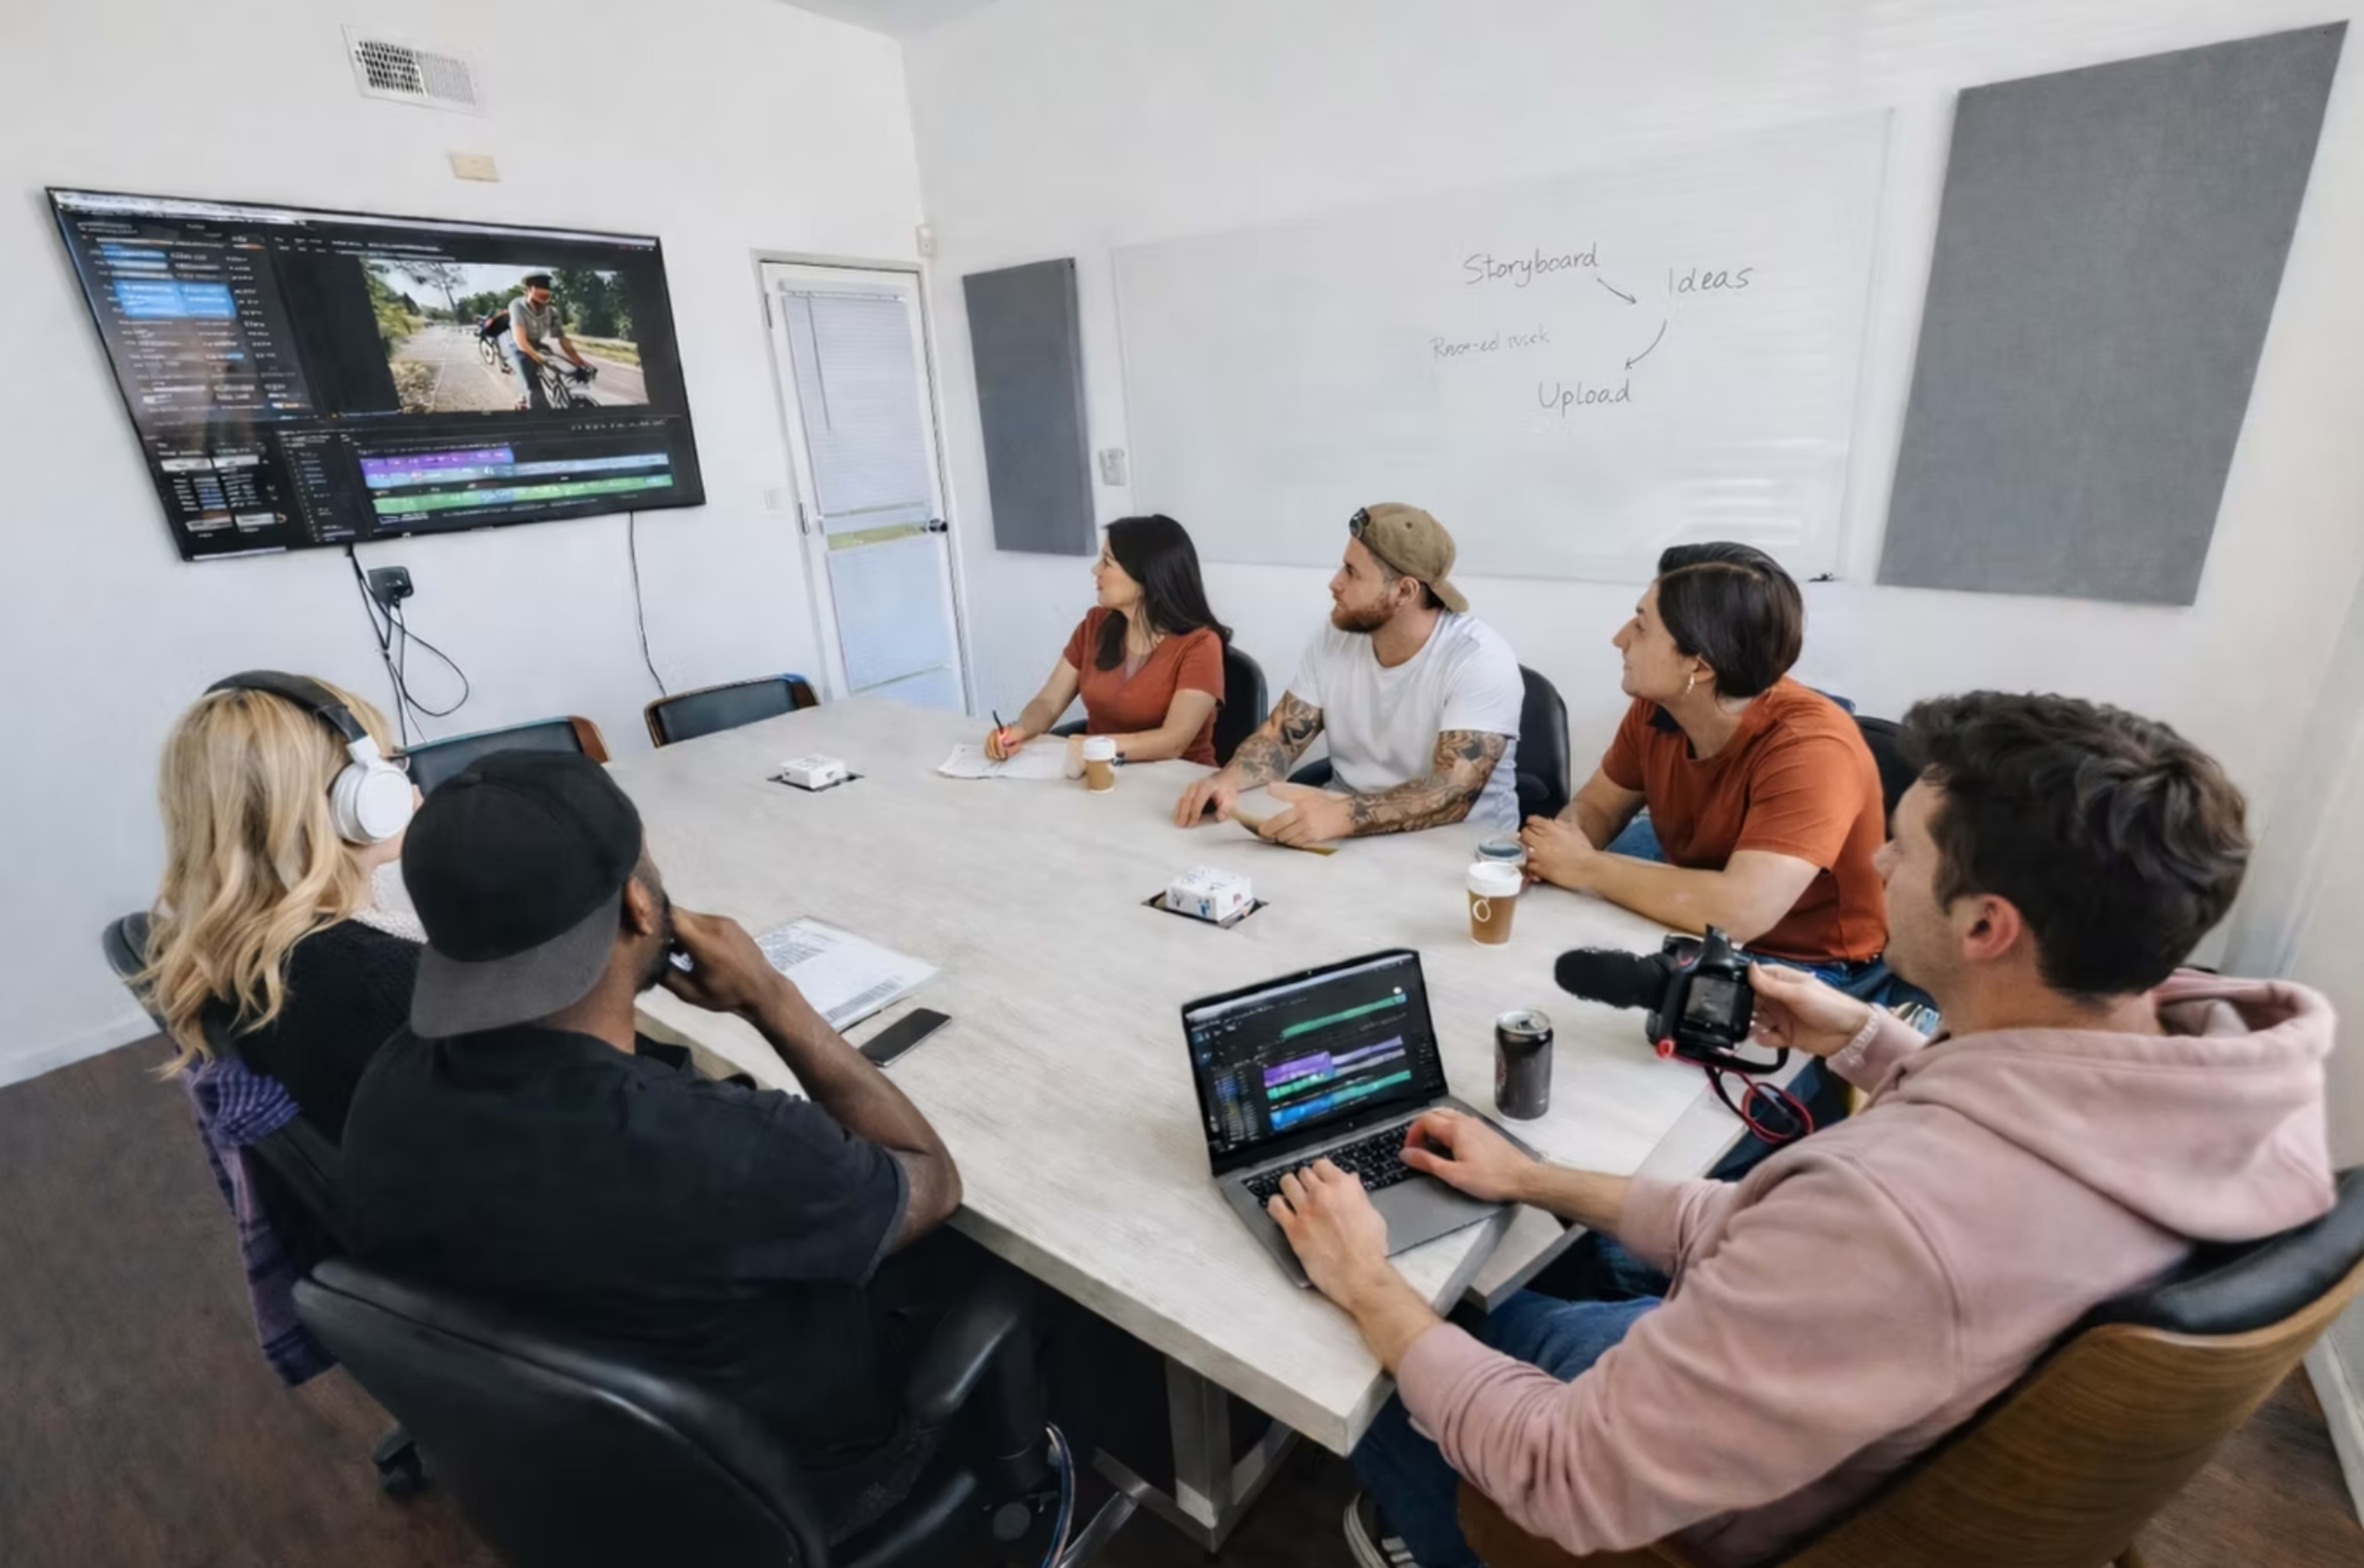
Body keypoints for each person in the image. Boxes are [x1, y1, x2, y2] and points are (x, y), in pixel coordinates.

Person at [1265, 691, 2333, 1568]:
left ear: (1986, 926)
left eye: (1903, 852)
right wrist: (1546, 1177)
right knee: (1564, 1242)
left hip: (1678, 1514)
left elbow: (1563, 1473)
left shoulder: (1885, 1215)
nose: (1874, 870)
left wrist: (1371, 1285)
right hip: (1884, 1399)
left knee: (1394, 1340)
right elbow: (1843, 1222)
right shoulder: (2235, 1073)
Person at [339, 750, 964, 1540]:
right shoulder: (722, 1146)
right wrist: (772, 998)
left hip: (572, 1494)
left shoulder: (389, 1087)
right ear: (640, 907)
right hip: (799, 1484)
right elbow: (931, 1181)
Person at [1521, 543, 1888, 978]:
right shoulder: (1660, 704)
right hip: (1696, 916)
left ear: (1699, 665)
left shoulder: (1812, 746)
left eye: (1641, 626)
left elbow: (1742, 910)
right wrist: (1552, 850)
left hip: (1803, 959)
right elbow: (1599, 806)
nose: (1619, 638)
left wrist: (1584, 866)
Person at [140, 672, 422, 1139]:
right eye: (392, 764)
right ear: (359, 800)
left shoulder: (229, 944)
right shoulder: (384, 979)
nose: (403, 781)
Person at [1172, 504, 1524, 845]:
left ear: (1404, 591)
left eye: (1352, 572)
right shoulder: (1336, 638)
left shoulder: (1480, 660)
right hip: (1346, 835)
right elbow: (1281, 741)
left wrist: (1342, 816)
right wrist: (1227, 779)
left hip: (1456, 851)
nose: (1335, 583)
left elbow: (1451, 793)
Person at [986, 514, 1230, 770]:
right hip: (1101, 774)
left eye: (1108, 562)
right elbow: (1048, 702)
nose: (1096, 570)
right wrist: (1021, 729)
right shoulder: (1096, 625)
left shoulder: (1200, 644)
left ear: (1147, 577)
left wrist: (1096, 747)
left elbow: (1173, 742)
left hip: (1176, 784)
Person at [507, 273, 593, 409]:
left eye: (545, 300)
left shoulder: (552, 312)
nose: (541, 306)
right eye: (537, 301)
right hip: (520, 347)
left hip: (537, 344)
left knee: (567, 371)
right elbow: (521, 341)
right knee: (534, 388)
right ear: (527, 291)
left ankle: (566, 397)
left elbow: (563, 339)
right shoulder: (517, 305)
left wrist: (579, 361)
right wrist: (540, 359)